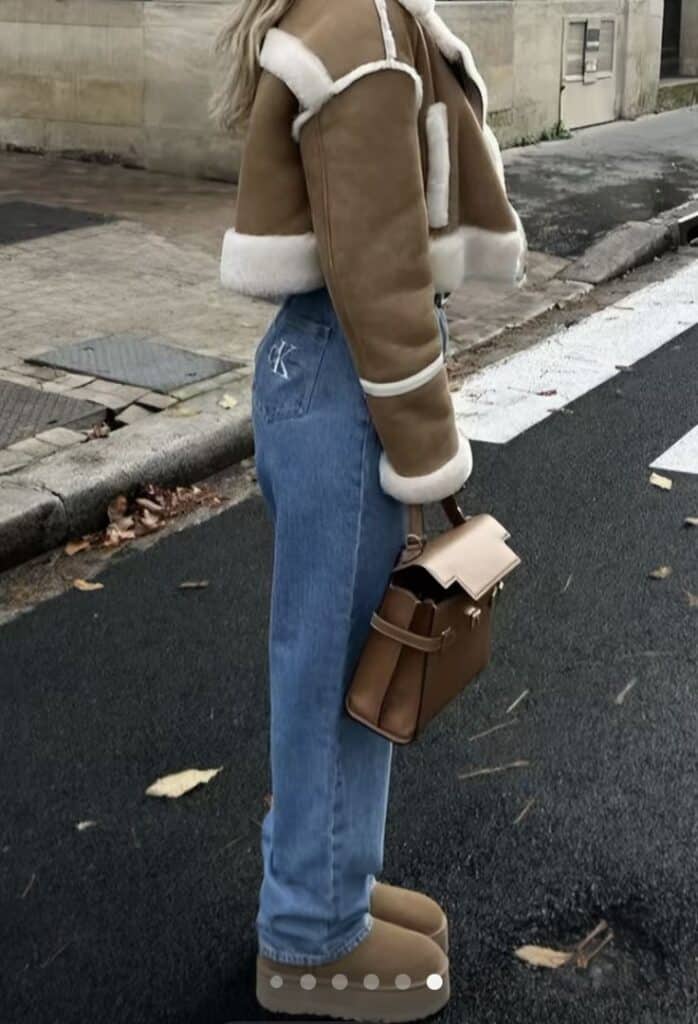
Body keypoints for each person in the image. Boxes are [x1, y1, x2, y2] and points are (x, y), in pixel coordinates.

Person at [212, 0, 525, 1018]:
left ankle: (328, 879)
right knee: (335, 669)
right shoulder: (363, 33)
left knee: (345, 658)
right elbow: (378, 274)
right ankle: (306, 933)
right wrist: (427, 451)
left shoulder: (360, 18)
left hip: (328, 370)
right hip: (348, 377)